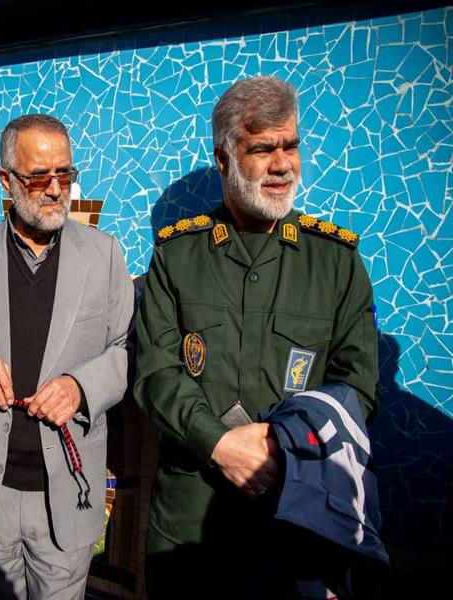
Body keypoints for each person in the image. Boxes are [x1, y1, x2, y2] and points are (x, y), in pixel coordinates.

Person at [134, 76, 380, 598]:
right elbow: (155, 372)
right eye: (263, 149)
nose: (283, 164)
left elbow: (357, 383)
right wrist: (219, 444)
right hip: (190, 524)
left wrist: (281, 446)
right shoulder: (176, 256)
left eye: (290, 146)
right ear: (224, 160)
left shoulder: (336, 262)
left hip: (298, 522)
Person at [0, 114, 134, 599]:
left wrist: (81, 388)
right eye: (39, 177)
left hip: (67, 491)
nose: (56, 189)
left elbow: (126, 351)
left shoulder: (104, 255)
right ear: (7, 180)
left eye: (66, 174)